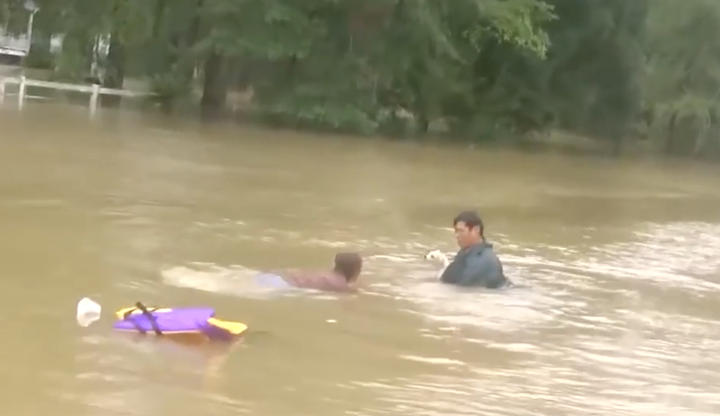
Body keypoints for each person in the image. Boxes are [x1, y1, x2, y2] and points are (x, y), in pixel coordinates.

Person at [439, 210, 511, 289]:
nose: (457, 235)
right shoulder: (466, 253)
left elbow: (464, 289)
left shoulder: (484, 260)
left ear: (476, 230)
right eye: (456, 231)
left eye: (461, 231)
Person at [254, 252, 363, 292]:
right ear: (355, 269)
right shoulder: (341, 285)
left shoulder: (325, 273)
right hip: (281, 285)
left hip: (273, 276)